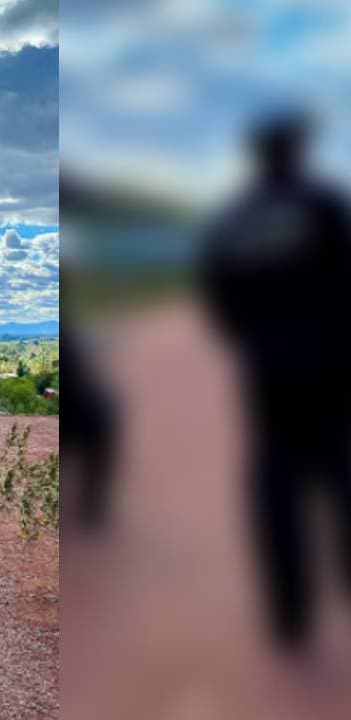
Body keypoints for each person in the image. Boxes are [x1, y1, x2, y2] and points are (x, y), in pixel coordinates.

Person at [200, 110, 351, 650]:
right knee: (337, 471)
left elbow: (218, 297)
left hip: (268, 367)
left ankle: (289, 612)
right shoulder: (324, 207)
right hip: (329, 364)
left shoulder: (236, 219)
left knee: (276, 482)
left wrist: (258, 338)